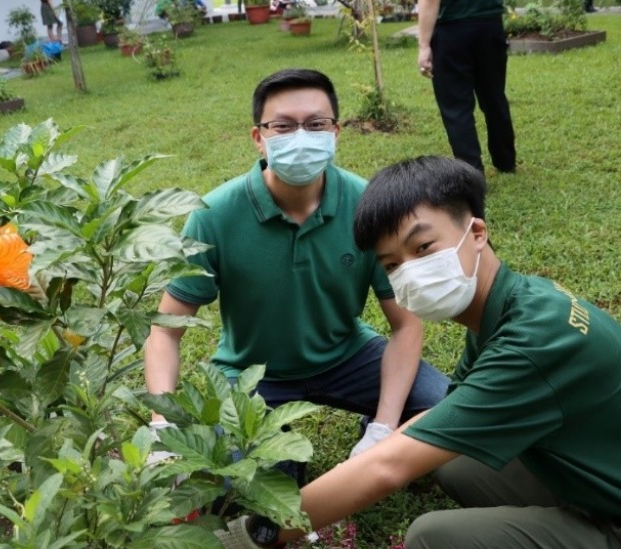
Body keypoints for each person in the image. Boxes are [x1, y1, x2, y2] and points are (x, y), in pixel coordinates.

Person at [186, 156, 621, 549]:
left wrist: (256, 535)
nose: (408, 273)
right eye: (390, 264)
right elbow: (443, 417)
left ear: (476, 231)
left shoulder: (531, 342)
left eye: (422, 248)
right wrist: (382, 434)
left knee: (430, 542)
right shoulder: (516, 301)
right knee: (451, 461)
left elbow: (389, 470)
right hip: (612, 491)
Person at [143, 69, 448, 476]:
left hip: (348, 356)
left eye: (316, 124)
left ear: (336, 133)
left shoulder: (370, 207)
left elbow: (406, 324)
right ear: (259, 137)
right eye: (283, 126)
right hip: (251, 373)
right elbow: (165, 330)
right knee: (257, 477)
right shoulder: (213, 215)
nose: (301, 137)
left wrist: (385, 426)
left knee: (444, 408)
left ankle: (372, 422)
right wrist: (161, 424)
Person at [417, 0, 517, 174]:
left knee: (456, 106)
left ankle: (472, 172)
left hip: (452, 29)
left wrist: (424, 45)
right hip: (490, 25)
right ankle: (505, 160)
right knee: (494, 96)